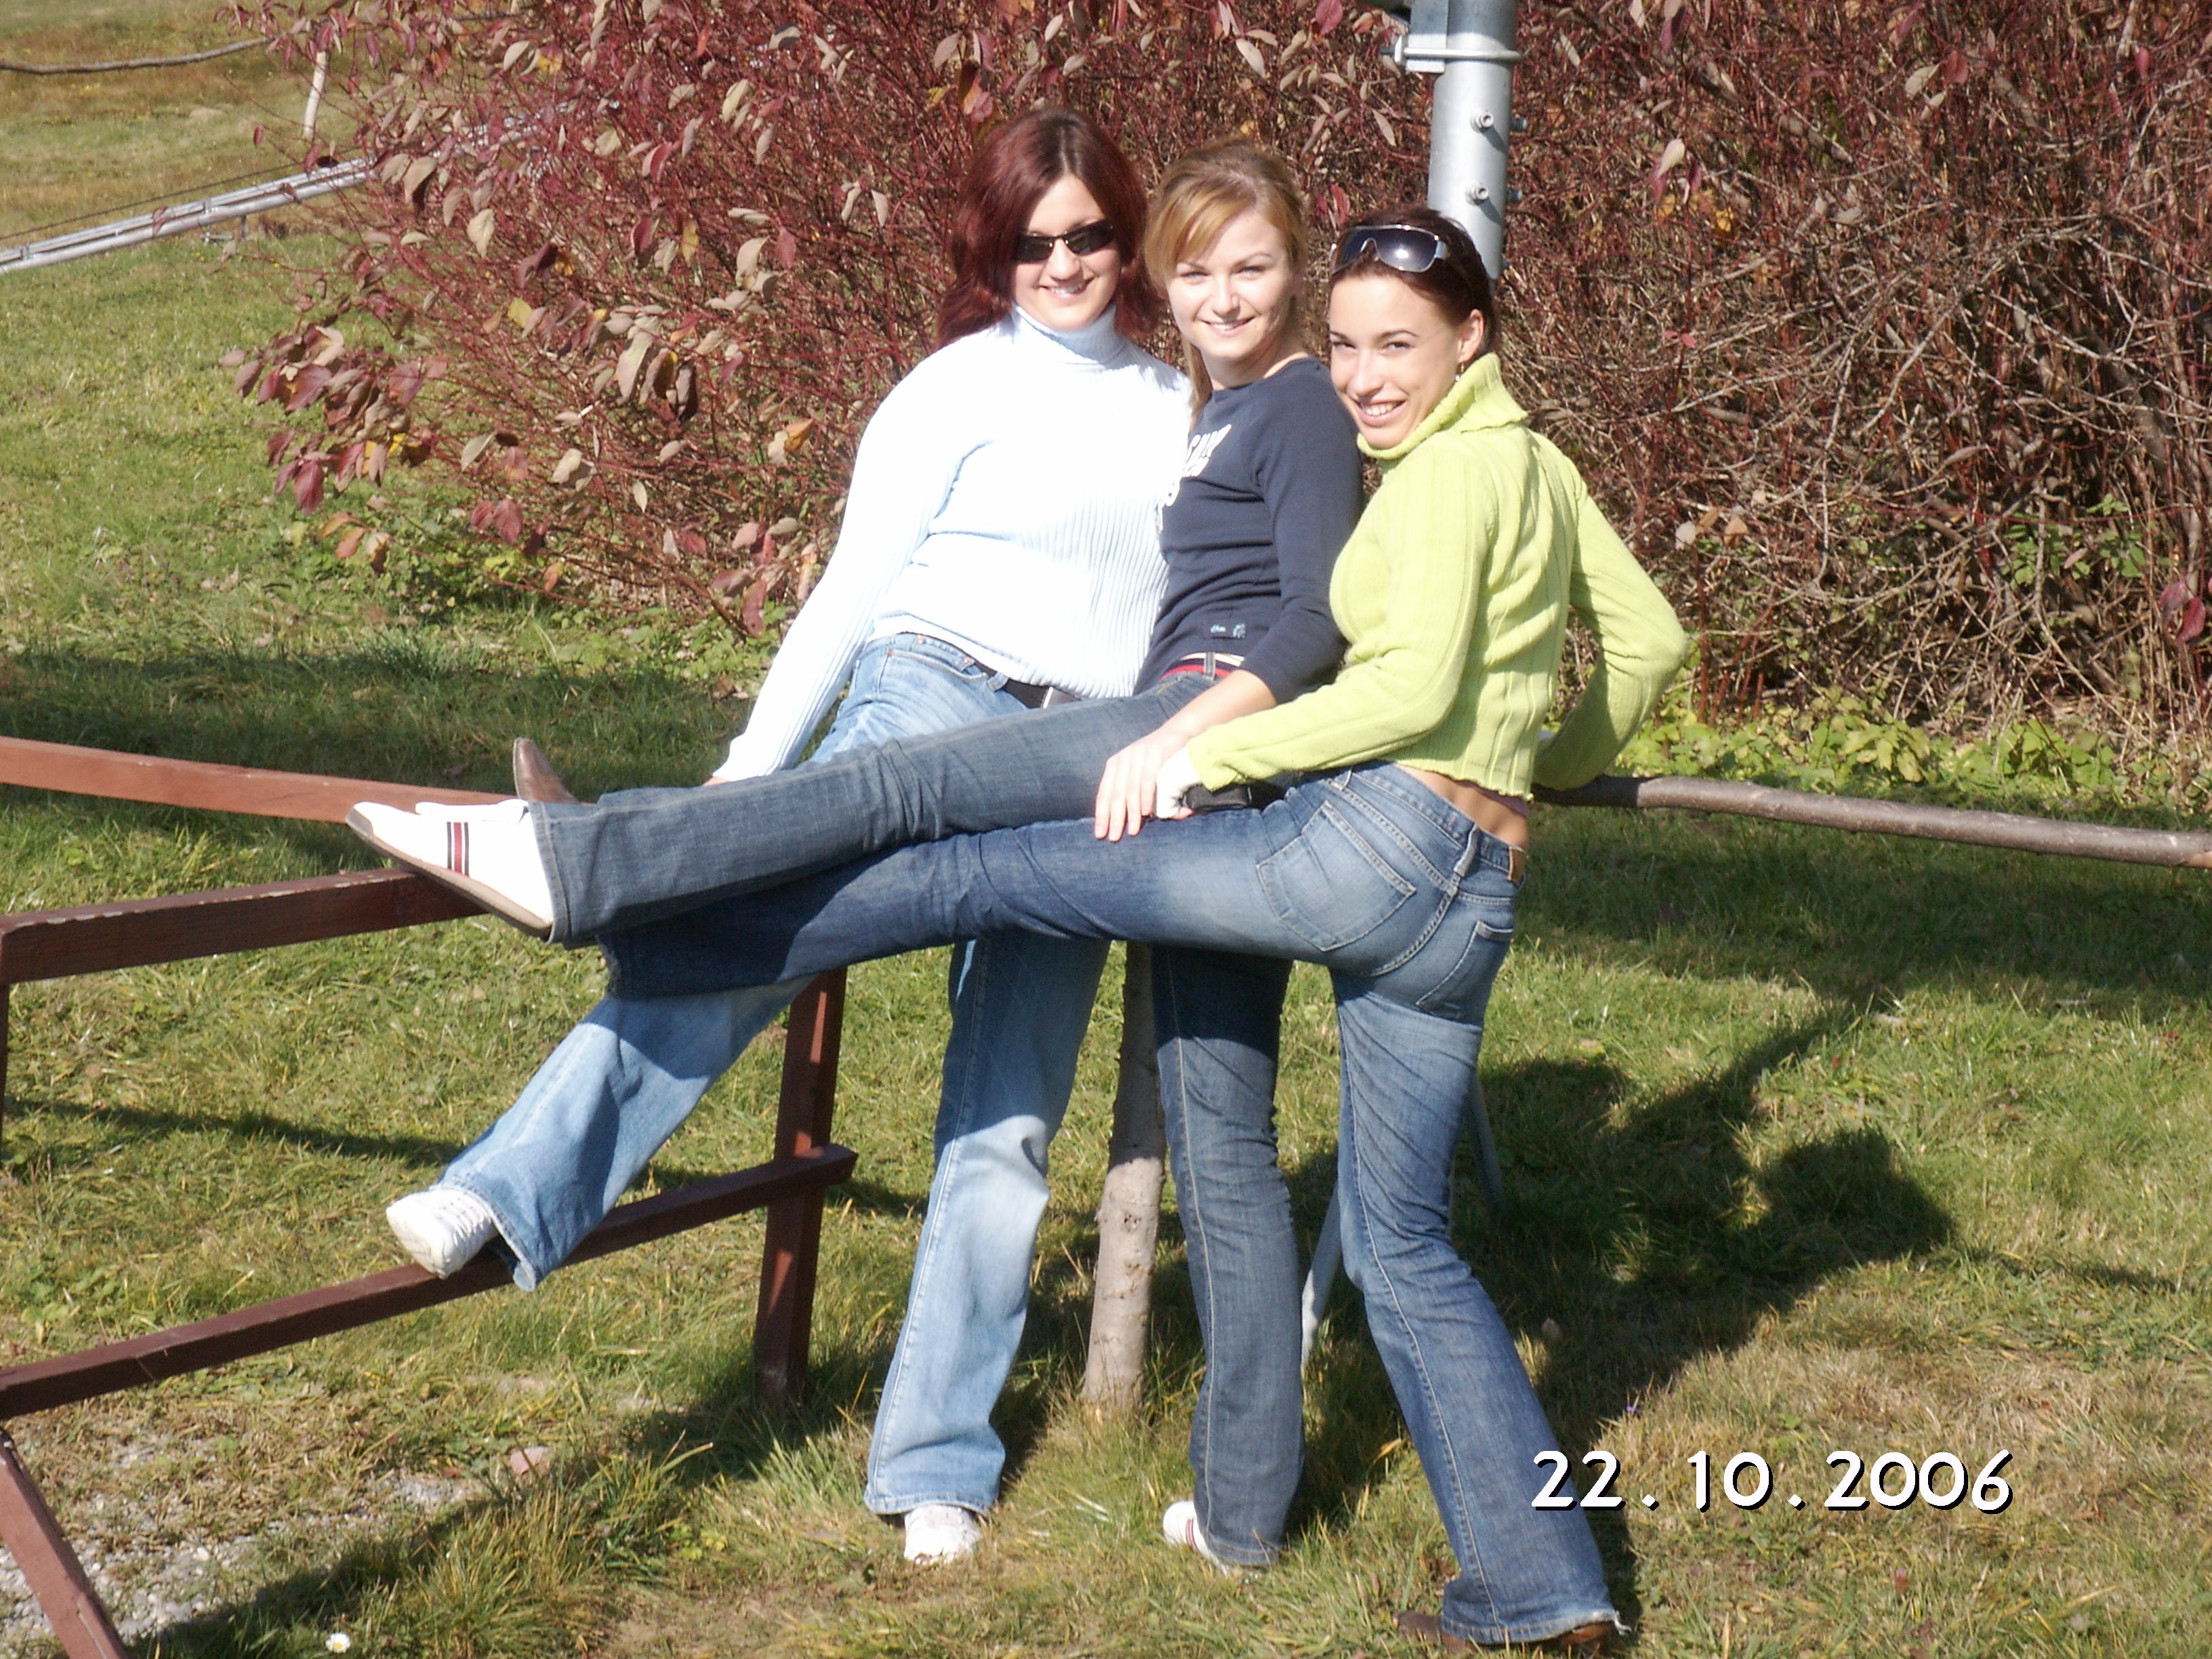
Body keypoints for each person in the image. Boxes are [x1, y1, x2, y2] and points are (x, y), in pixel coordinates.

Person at [361, 206, 1686, 1649]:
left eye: (1397, 347)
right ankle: (1536, 1588)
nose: (1368, 374)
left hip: (1349, 844)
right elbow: (1652, 642)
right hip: (1470, 893)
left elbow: (1398, 681)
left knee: (968, 869)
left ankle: (603, 883)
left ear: (1469, 338)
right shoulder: (1528, 459)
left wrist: (1200, 752)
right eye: (1354, 344)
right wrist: (1537, 766)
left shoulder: (1429, 470)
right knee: (1401, 1241)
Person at [365, 136, 1370, 1568]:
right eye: (1034, 242)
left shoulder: (1185, 404)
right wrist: (752, 770)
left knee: (1010, 1110)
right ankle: (511, 1184)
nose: (1065, 264)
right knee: (761, 945)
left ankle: (935, 1457)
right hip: (933, 695)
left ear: (1129, 242)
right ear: (995, 252)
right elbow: (850, 588)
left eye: (1090, 236)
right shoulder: (954, 385)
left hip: (1091, 762)